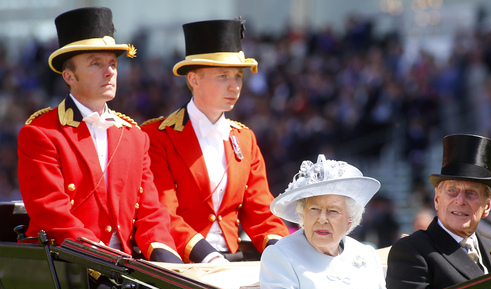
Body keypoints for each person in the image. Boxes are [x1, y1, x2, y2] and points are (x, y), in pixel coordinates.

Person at [17, 7, 182, 263]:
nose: (110, 72)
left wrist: (170, 266)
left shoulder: (135, 136)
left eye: (113, 64)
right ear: (69, 76)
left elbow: (151, 212)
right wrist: (109, 262)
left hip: (126, 272)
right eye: (96, 63)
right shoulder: (41, 133)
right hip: (69, 268)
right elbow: (53, 215)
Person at [141, 19, 288, 264]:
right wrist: (206, 256)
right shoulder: (157, 136)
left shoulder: (245, 138)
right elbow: (164, 212)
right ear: (194, 80)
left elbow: (261, 211)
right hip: (183, 263)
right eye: (222, 76)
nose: (234, 86)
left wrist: (281, 249)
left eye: (238, 76)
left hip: (234, 259)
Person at [386, 134, 491, 289]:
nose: (460, 201)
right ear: (437, 199)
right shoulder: (413, 251)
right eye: (452, 190)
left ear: (487, 206)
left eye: (471, 193)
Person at [260, 154, 392, 289]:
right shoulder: (280, 256)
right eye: (314, 209)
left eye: (333, 211)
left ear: (350, 220)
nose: (322, 219)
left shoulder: (367, 255)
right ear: (303, 215)